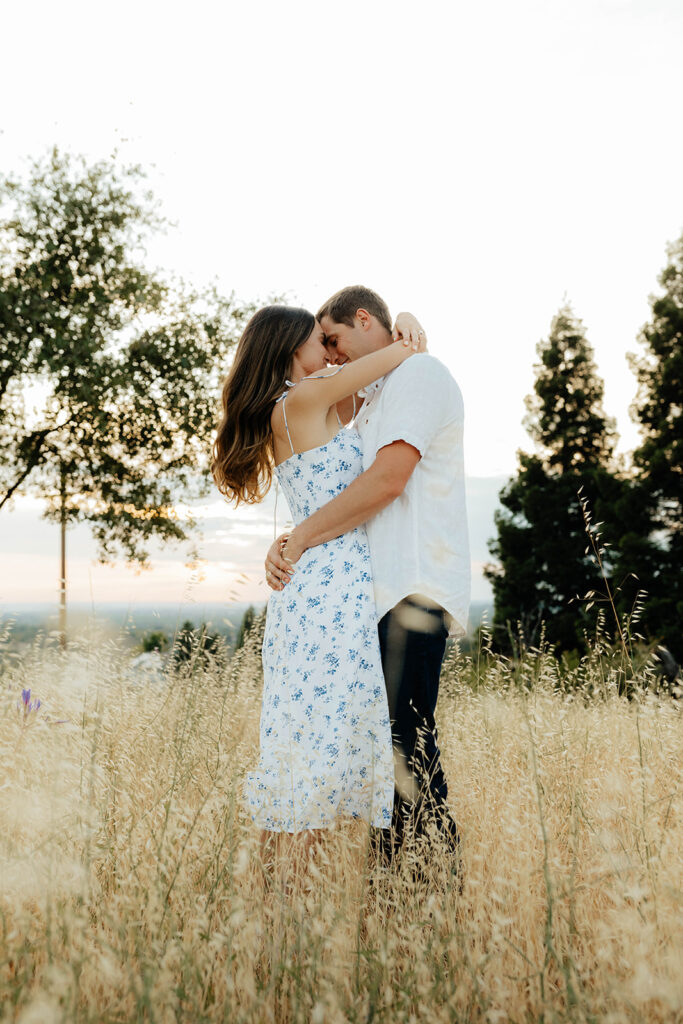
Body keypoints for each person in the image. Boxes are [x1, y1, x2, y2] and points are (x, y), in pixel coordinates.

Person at [211, 304, 426, 871]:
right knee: (316, 753)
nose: (329, 351)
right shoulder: (307, 397)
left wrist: (397, 316)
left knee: (301, 748)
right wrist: (404, 321)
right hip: (330, 589)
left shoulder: (296, 407)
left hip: (314, 589)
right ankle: (291, 917)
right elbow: (397, 356)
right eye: (317, 339)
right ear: (290, 350)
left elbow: (369, 390)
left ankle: (274, 913)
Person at [265, 286, 470, 872]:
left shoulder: (419, 377)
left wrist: (300, 538)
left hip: (414, 588)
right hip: (367, 599)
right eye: (320, 345)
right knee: (387, 752)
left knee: (406, 744)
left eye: (333, 339)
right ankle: (391, 904)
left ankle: (421, 894)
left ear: (362, 320)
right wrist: (290, 537)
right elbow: (323, 476)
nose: (330, 355)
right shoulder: (373, 394)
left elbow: (386, 482)